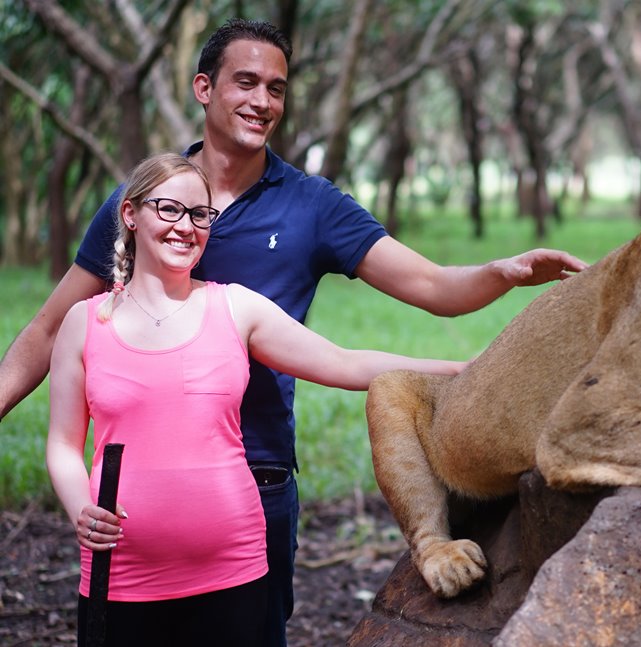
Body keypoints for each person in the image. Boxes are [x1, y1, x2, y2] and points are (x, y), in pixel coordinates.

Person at [1, 18, 586, 645]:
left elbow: (430, 289)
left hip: (256, 482)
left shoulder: (311, 206)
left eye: (276, 89)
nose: (262, 101)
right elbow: (46, 330)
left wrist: (501, 272)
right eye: (245, 82)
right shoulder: (149, 203)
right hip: (138, 495)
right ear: (204, 87)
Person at [47, 153, 466, 647]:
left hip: (233, 567)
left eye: (200, 215)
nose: (186, 227)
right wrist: (80, 508)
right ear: (130, 215)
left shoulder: (235, 307)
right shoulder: (84, 323)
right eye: (169, 210)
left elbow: (344, 363)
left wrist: (467, 371)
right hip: (122, 574)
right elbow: (62, 444)